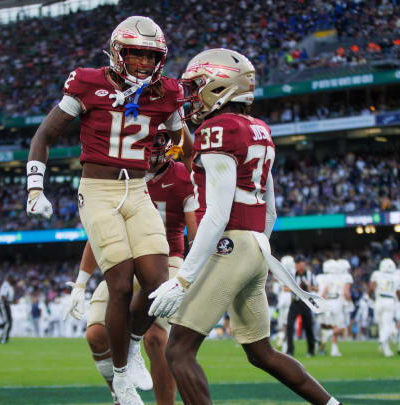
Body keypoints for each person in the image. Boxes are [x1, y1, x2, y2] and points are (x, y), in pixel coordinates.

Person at [148, 48, 341, 405]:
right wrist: (257, 251)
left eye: (198, 85)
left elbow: (217, 214)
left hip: (231, 245)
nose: (192, 95)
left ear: (219, 86)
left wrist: (184, 278)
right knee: (260, 352)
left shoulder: (216, 129)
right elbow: (270, 209)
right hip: (256, 248)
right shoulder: (260, 129)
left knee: (178, 351)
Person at [24, 15, 191, 405]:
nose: (143, 65)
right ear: (118, 52)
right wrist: (35, 188)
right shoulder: (86, 82)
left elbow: (185, 142)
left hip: (138, 189)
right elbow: (45, 134)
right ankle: (120, 378)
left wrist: (185, 149)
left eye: (151, 57)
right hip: (98, 190)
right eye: (135, 55)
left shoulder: (166, 92)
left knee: (157, 284)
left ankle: (132, 348)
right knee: (118, 283)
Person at [66, 128, 198, 405]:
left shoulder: (180, 176)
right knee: (96, 334)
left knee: (156, 339)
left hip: (168, 259)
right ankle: (120, 394)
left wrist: (192, 272)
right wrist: (81, 282)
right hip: (126, 258)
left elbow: (195, 233)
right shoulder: (119, 177)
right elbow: (97, 235)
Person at [369, 258, 400, 357]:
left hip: (379, 300)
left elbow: (371, 288)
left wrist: (371, 297)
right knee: (387, 325)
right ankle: (384, 338)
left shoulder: (377, 274)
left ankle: (386, 349)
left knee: (382, 325)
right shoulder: (396, 277)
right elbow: (399, 293)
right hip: (390, 300)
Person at [286, 255, 316, 357]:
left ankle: (311, 350)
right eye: (297, 263)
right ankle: (290, 350)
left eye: (300, 262)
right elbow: (285, 288)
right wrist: (295, 288)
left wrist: (308, 287)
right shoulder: (292, 275)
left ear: (304, 263)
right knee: (289, 326)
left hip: (306, 303)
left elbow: (316, 288)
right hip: (294, 303)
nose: (299, 265)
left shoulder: (310, 275)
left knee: (308, 327)